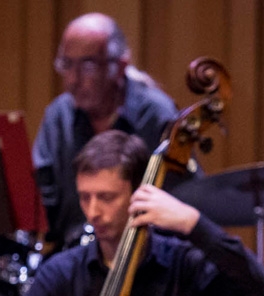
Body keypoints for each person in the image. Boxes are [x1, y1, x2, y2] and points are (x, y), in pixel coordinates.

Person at [0, 129, 264, 296]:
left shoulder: (183, 265)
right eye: (85, 197)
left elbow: (257, 286)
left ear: (141, 193)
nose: (92, 212)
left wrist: (194, 224)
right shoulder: (61, 272)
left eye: (106, 197)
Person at [33, 12, 179, 246]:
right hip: (72, 258)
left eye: (87, 65)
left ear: (120, 66)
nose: (73, 79)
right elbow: (40, 197)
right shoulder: (58, 115)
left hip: (144, 257)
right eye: (67, 64)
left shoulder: (156, 115)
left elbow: (180, 199)